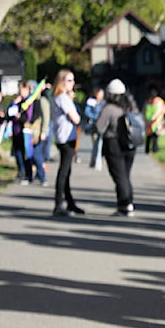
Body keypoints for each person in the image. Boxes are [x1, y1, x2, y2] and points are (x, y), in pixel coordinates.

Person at [93, 79, 136, 215]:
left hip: (113, 144)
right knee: (125, 175)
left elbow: (99, 127)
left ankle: (124, 205)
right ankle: (127, 203)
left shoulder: (109, 109)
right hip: (130, 144)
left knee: (119, 176)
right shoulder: (131, 106)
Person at [50, 69, 84, 217]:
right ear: (62, 81)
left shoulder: (59, 97)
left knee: (67, 171)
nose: (72, 83)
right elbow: (75, 118)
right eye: (69, 80)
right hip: (66, 138)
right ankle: (59, 204)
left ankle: (69, 202)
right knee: (64, 172)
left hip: (63, 136)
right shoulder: (62, 98)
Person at [7, 80, 37, 184]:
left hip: (25, 131)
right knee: (18, 153)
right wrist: (14, 103)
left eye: (21, 89)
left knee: (27, 154)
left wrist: (20, 117)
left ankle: (28, 175)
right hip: (16, 130)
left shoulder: (30, 101)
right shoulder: (18, 101)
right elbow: (9, 113)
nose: (20, 92)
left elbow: (29, 117)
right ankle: (21, 172)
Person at [84, 86, 105, 170]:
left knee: (100, 143)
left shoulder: (104, 103)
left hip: (102, 125)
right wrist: (95, 117)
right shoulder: (91, 102)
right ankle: (95, 160)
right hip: (94, 126)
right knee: (96, 143)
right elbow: (87, 112)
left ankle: (96, 161)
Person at [143, 86, 165, 153]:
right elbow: (163, 110)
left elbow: (144, 111)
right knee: (155, 136)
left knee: (149, 136)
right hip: (156, 121)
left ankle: (148, 149)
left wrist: (145, 119)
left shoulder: (147, 101)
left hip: (150, 121)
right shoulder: (159, 101)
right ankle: (154, 148)